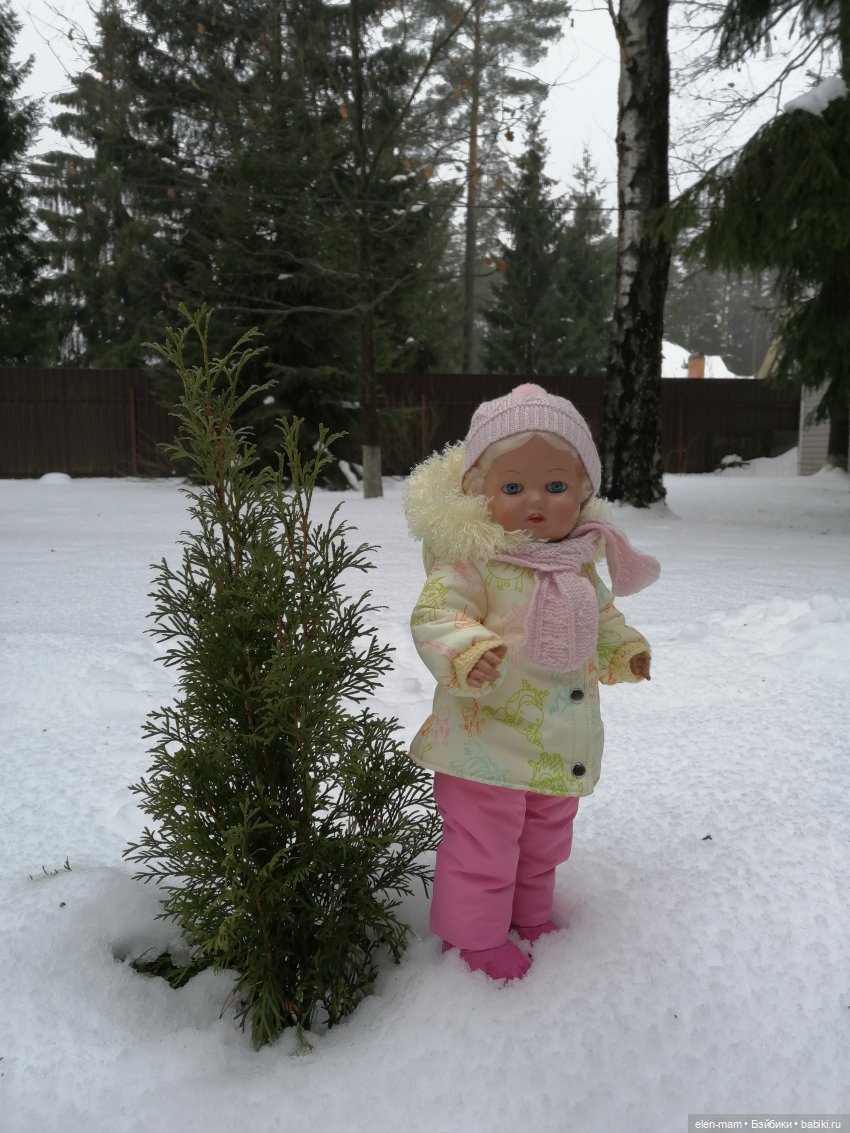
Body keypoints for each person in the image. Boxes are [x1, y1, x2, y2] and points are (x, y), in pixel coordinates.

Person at [403, 383, 660, 982]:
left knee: (544, 841)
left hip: (556, 743)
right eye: (513, 487)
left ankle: (529, 914)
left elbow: (604, 620)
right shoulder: (472, 563)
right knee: (485, 847)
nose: (535, 501)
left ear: (584, 492)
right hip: (482, 742)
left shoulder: (578, 567)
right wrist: (468, 652)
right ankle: (474, 940)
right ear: (478, 492)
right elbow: (436, 616)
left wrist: (626, 651)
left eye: (556, 485)